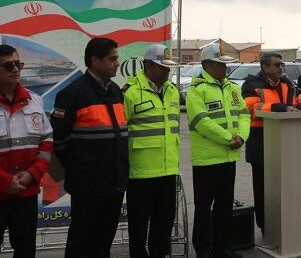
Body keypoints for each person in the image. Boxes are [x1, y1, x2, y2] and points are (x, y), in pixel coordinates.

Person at [51, 38, 128, 257]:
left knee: (104, 242)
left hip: (114, 184)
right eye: (112, 59)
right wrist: (81, 168)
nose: (117, 63)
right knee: (81, 241)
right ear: (95, 60)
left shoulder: (115, 91)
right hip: (87, 186)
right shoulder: (72, 93)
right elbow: (60, 142)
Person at [186, 43, 250, 257]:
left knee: (224, 207)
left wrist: (241, 136)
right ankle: (203, 250)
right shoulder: (197, 90)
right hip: (206, 160)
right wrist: (229, 139)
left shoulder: (232, 88)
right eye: (220, 64)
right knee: (204, 208)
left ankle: (221, 248)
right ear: (207, 65)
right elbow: (201, 121)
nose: (225, 68)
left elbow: (244, 114)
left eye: (225, 64)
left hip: (228, 158)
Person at [242, 52, 301, 234]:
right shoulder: (251, 84)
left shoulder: (287, 84)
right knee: (264, 190)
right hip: (261, 145)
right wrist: (282, 108)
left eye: (282, 65)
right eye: (277, 65)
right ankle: (266, 227)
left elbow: (298, 102)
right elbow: (253, 108)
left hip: (286, 144)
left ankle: (286, 225)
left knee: (285, 189)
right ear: (265, 67)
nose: (281, 68)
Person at [122, 44, 181, 258]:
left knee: (164, 223)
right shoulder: (130, 92)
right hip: (141, 172)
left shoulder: (172, 91)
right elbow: (121, 131)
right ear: (148, 66)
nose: (167, 71)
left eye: (168, 67)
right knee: (138, 225)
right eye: (162, 67)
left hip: (168, 170)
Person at [0, 44, 53, 257]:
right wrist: (5, 181)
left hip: (26, 193)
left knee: (25, 251)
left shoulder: (35, 100)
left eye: (18, 64)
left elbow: (46, 142)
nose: (15, 69)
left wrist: (32, 174)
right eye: (8, 65)